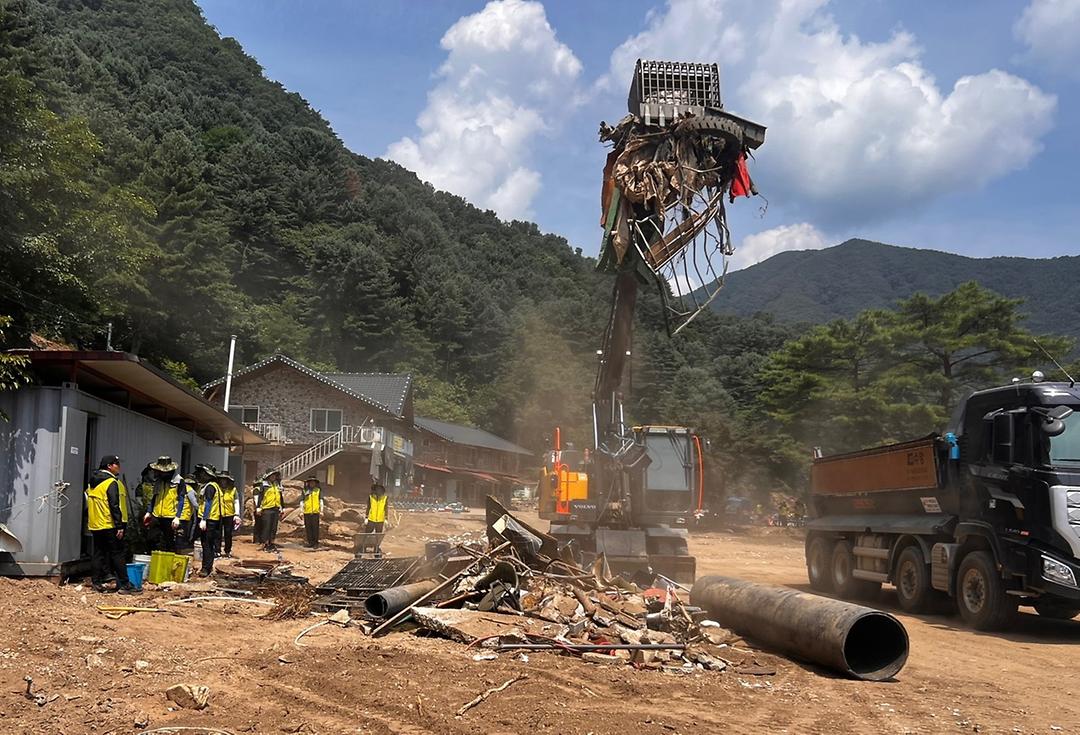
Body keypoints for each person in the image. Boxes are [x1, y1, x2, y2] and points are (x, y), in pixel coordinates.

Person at [85, 455, 137, 594]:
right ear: (109, 466)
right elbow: (114, 504)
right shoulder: (110, 482)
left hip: (96, 523)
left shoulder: (93, 481)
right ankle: (126, 585)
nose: (118, 466)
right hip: (109, 523)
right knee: (117, 553)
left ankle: (96, 582)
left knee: (98, 552)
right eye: (116, 464)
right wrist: (119, 525)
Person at [194, 464, 225, 577]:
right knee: (209, 544)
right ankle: (208, 567)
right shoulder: (215, 486)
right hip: (215, 519)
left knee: (206, 544)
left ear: (207, 475)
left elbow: (208, 503)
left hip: (210, 520)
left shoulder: (210, 487)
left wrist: (204, 519)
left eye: (202, 473)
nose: (200, 475)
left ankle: (206, 568)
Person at [143, 457, 180, 552]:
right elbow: (154, 497)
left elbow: (182, 499)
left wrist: (177, 517)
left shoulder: (178, 481)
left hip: (170, 516)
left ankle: (169, 563)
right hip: (156, 514)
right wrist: (148, 512)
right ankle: (153, 560)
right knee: (151, 539)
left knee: (169, 542)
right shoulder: (158, 481)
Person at [216, 472, 241, 558]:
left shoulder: (233, 490)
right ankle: (217, 550)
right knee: (218, 533)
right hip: (218, 514)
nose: (223, 481)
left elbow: (236, 501)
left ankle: (227, 550)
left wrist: (236, 514)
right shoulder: (217, 488)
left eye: (225, 480)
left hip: (229, 515)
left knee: (228, 533)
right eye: (222, 479)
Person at [257, 470, 283, 551]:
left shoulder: (277, 485)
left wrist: (282, 507)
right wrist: (259, 507)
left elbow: (280, 497)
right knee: (266, 527)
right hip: (267, 509)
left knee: (273, 527)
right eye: (272, 476)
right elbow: (260, 496)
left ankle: (271, 543)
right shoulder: (264, 485)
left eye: (274, 476)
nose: (273, 477)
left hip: (276, 508)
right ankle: (264, 543)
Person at [300, 475, 323, 549]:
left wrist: (321, 510)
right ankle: (310, 542)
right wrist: (301, 511)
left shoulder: (318, 490)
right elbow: (302, 501)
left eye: (313, 482)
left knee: (315, 528)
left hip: (315, 512)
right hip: (307, 511)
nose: (312, 484)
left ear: (315, 483)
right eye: (310, 482)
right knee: (308, 528)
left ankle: (316, 543)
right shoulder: (304, 491)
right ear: (308, 483)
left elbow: (321, 500)